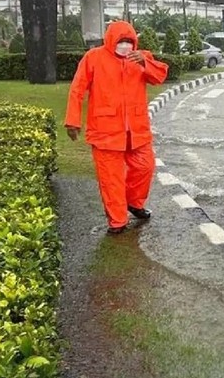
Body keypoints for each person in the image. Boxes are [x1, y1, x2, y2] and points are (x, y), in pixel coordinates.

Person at [64, 20, 169, 234]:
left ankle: (133, 202)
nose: (125, 45)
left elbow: (160, 77)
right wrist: (73, 120)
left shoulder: (140, 57)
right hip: (105, 131)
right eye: (121, 41)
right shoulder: (94, 58)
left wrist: (144, 63)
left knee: (145, 167)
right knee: (111, 179)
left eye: (129, 41)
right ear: (111, 40)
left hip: (137, 131)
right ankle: (117, 220)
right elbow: (77, 88)